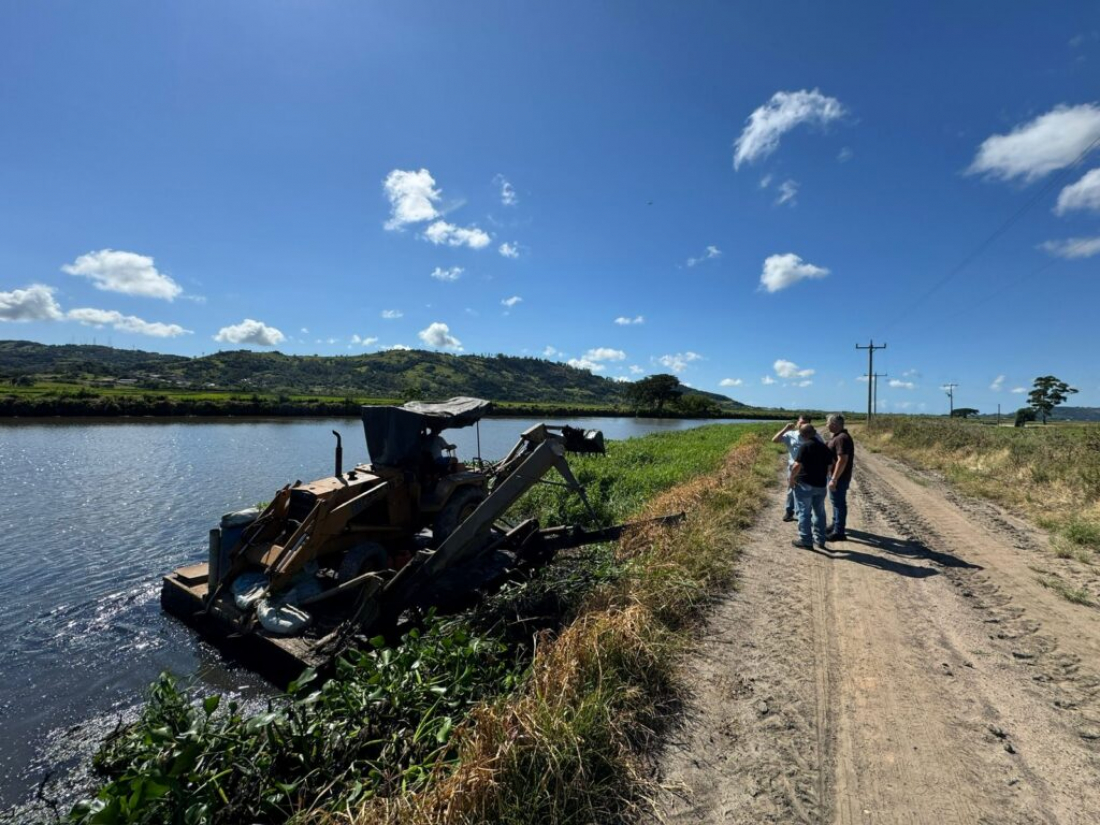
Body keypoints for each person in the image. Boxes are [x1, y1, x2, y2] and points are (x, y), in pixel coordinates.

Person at [789, 424, 832, 550]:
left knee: (804, 512)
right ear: (814, 432)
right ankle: (820, 539)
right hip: (820, 485)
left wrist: (792, 478)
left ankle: (806, 540)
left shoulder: (805, 446)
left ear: (803, 435)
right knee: (820, 512)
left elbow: (797, 466)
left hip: (804, 485)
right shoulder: (824, 447)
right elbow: (830, 466)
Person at [771, 415, 821, 522]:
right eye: (801, 422)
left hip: (808, 469)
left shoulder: (815, 436)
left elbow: (823, 449)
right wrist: (785, 428)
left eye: (805, 423)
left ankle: (804, 515)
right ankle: (789, 511)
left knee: (805, 492)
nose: (802, 424)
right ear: (797, 422)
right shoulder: (791, 434)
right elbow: (774, 440)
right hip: (793, 467)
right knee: (791, 490)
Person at [825, 413, 855, 541]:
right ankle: (835, 524)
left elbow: (842, 459)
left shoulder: (841, 438)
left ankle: (839, 532)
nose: (826, 425)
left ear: (835, 424)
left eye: (828, 423)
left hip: (839, 478)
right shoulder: (839, 437)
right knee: (835, 502)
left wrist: (834, 479)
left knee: (839, 504)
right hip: (837, 477)